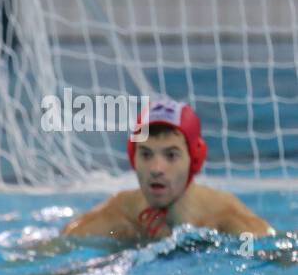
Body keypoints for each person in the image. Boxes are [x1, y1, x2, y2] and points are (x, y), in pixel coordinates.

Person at [61, 98, 271, 242]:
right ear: (133, 157)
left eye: (171, 155)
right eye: (146, 154)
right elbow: (55, 251)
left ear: (194, 160)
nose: (156, 169)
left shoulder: (225, 217)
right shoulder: (121, 215)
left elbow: (277, 257)